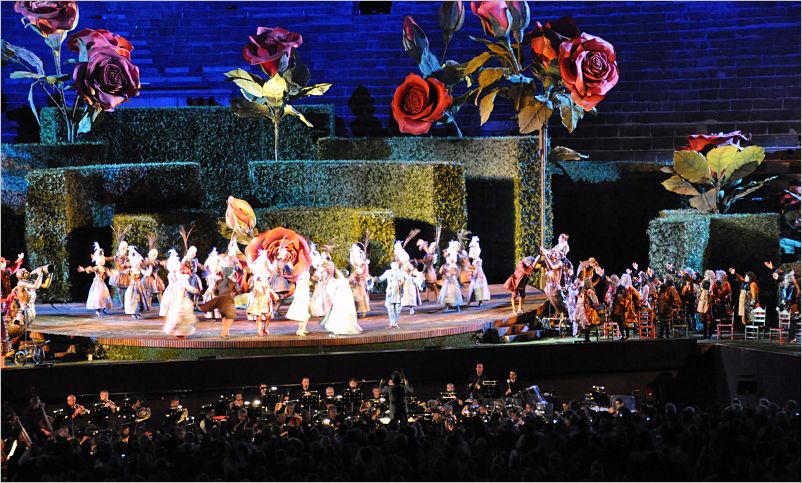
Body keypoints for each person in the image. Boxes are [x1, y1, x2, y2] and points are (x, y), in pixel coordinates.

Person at [321, 269, 363, 336]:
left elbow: (330, 290)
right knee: (343, 312)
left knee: (340, 312)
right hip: (344, 298)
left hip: (341, 299)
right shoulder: (344, 281)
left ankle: (339, 328)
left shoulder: (338, 281)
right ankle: (343, 328)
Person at [76, 243, 113, 316]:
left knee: (105, 295)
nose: (103, 258)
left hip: (102, 284)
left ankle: (104, 308)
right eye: (101, 257)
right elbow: (91, 269)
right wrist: (84, 269)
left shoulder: (104, 268)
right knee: (98, 296)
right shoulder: (97, 267)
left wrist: (114, 274)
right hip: (97, 284)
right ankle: (98, 310)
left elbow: (109, 274)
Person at [378, 262, 410, 329]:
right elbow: (380, 279)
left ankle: (394, 322)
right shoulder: (388, 272)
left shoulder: (402, 272)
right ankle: (392, 322)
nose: (395, 266)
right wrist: (372, 279)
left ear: (398, 265)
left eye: (396, 264)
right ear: (391, 265)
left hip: (398, 292)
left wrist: (416, 278)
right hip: (390, 292)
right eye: (393, 265)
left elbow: (408, 278)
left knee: (398, 308)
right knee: (389, 307)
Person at [286, 270, 312, 336]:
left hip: (304, 293)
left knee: (306, 313)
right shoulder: (300, 272)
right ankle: (300, 330)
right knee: (303, 313)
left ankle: (303, 329)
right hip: (301, 294)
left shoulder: (304, 270)